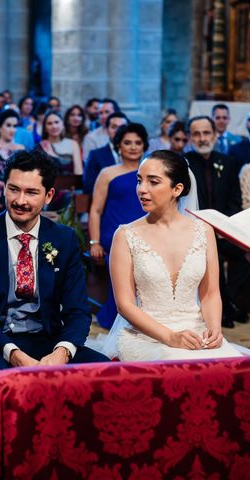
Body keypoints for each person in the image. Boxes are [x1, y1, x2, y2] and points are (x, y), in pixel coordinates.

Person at [0, 149, 107, 388]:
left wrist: (62, 353)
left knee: (104, 372)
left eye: (31, 192)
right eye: (13, 189)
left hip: (46, 338)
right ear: (4, 187)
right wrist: (13, 353)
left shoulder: (63, 239)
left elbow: (77, 310)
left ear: (49, 196)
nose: (20, 200)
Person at [105, 150, 242, 360]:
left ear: (177, 189)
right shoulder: (125, 236)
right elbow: (125, 305)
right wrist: (170, 337)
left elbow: (210, 293)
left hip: (195, 332)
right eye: (139, 180)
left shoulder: (204, 231)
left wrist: (214, 328)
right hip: (146, 336)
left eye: (153, 182)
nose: (142, 189)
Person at [185, 116, 250, 328]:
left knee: (246, 255)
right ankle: (223, 310)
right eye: (197, 134)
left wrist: (225, 226)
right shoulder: (182, 164)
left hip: (223, 230)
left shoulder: (228, 163)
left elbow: (234, 199)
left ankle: (228, 301)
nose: (202, 138)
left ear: (214, 135)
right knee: (211, 258)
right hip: (193, 232)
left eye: (206, 133)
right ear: (189, 137)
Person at [89, 123, 148, 328]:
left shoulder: (150, 173)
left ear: (144, 146)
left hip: (146, 232)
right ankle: (119, 317)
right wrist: (94, 242)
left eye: (138, 143)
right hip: (114, 236)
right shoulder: (108, 173)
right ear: (118, 146)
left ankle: (146, 317)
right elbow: (95, 210)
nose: (133, 147)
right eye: (127, 143)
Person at [82, 112, 128, 194]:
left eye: (122, 127)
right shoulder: (96, 155)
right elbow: (89, 187)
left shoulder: (137, 153)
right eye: (114, 127)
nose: (118, 131)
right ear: (107, 130)